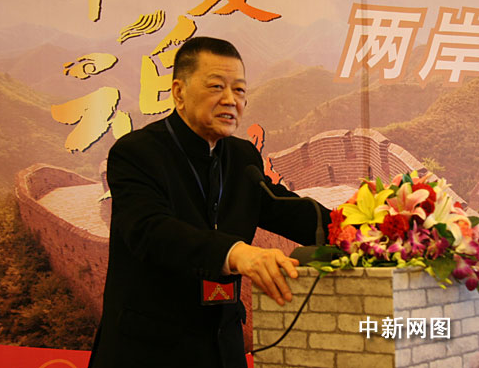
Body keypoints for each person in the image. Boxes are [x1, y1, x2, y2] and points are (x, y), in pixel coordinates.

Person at [88, 37, 331, 368]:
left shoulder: (242, 156)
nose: (230, 100)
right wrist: (235, 253)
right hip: (149, 350)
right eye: (217, 87)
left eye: (239, 90)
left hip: (222, 347)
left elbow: (283, 209)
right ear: (179, 92)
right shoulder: (137, 152)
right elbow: (150, 230)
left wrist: (369, 228)